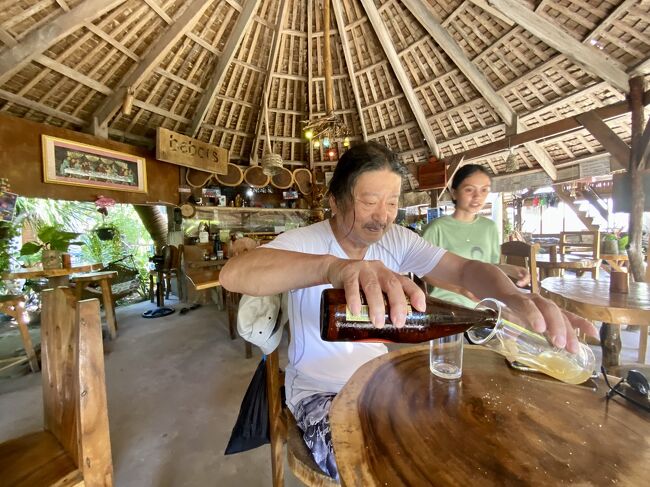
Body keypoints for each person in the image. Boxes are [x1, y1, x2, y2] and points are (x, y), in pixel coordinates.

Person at [220, 142, 596, 480]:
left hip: (381, 383)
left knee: (458, 442)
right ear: (335, 201)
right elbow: (234, 274)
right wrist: (330, 267)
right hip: (320, 393)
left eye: (392, 202)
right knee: (382, 466)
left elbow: (464, 270)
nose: (382, 216)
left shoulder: (396, 240)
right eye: (369, 202)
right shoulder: (305, 242)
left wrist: (512, 296)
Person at [422, 164, 529, 307]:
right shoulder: (436, 229)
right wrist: (460, 289)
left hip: (484, 305)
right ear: (454, 193)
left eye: (484, 190)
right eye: (469, 189)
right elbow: (422, 271)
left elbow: (489, 266)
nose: (477, 196)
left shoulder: (489, 228)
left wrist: (511, 269)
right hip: (447, 306)